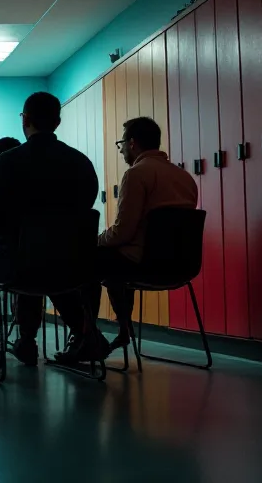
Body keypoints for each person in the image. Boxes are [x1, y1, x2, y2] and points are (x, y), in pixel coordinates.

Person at [0, 92, 101, 372]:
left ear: (25, 119)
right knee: (49, 269)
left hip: (18, 254)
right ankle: (85, 333)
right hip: (70, 260)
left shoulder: (8, 162)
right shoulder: (80, 162)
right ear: (57, 122)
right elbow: (85, 208)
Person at [82, 116, 199, 355]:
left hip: (144, 264)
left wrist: (93, 241)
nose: (121, 150)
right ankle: (123, 328)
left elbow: (122, 233)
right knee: (117, 261)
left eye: (121, 144)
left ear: (132, 143)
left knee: (86, 261)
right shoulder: (185, 177)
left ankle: (87, 339)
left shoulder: (136, 174)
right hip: (181, 266)